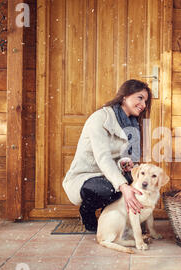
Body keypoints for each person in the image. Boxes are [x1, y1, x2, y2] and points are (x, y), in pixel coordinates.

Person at [63, 80, 152, 232]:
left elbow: (131, 160)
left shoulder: (134, 125)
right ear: (124, 96)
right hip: (87, 176)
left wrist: (127, 166)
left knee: (140, 182)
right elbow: (102, 157)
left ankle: (114, 217)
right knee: (107, 189)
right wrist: (124, 186)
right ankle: (87, 212)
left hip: (111, 174)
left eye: (145, 101)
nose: (143, 104)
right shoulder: (100, 118)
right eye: (140, 98)